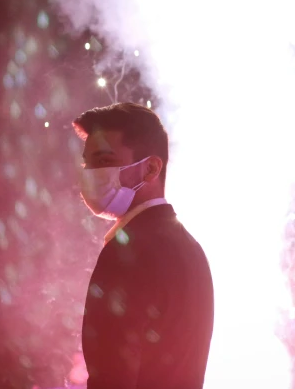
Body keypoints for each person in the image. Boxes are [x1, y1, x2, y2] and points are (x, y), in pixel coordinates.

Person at [73, 102, 214, 389]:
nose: (89, 174)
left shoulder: (126, 254)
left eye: (103, 161)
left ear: (150, 168)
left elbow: (111, 378)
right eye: (88, 163)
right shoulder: (192, 249)